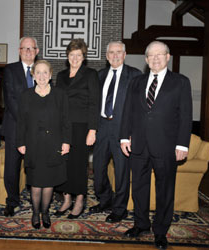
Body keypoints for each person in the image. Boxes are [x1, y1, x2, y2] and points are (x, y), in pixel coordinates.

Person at [120, 41, 192, 250]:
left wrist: (183, 145)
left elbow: (186, 116)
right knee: (139, 188)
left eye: (160, 55)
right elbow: (128, 111)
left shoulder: (180, 82)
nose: (156, 58)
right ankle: (141, 224)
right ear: (146, 59)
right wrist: (124, 137)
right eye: (151, 55)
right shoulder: (136, 82)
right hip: (139, 146)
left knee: (165, 191)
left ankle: (161, 232)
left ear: (168, 57)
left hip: (166, 147)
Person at [90, 41, 142, 223]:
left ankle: (120, 209)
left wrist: (131, 134)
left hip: (123, 130)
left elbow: (139, 108)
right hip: (102, 127)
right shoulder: (99, 75)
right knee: (98, 169)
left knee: (121, 173)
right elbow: (93, 104)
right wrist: (92, 128)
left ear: (125, 54)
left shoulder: (135, 75)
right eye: (111, 52)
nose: (115, 55)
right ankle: (105, 200)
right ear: (106, 56)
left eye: (118, 52)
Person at [16, 60, 71, 229]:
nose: (41, 76)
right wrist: (20, 142)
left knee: (48, 182)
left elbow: (66, 121)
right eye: (37, 72)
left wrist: (66, 142)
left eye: (45, 72)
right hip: (33, 145)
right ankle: (35, 213)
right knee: (35, 182)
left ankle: (45, 212)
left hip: (53, 144)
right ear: (33, 75)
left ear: (50, 75)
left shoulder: (60, 94)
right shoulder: (26, 95)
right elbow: (21, 122)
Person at [55, 39, 100, 219]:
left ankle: (80, 199)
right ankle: (66, 198)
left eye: (78, 55)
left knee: (79, 165)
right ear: (67, 56)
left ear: (83, 57)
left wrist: (93, 130)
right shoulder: (61, 75)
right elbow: (56, 101)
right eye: (72, 55)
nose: (75, 58)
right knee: (63, 163)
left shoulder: (91, 74)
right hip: (63, 126)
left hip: (82, 127)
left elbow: (94, 103)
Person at [1, 37, 39, 217]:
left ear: (37, 51)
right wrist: (27, 123)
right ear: (19, 50)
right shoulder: (10, 70)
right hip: (14, 127)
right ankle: (12, 201)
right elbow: (10, 100)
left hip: (37, 130)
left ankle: (36, 200)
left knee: (35, 166)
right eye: (25, 48)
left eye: (32, 48)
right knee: (12, 167)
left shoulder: (42, 70)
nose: (28, 51)